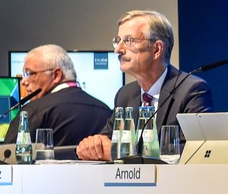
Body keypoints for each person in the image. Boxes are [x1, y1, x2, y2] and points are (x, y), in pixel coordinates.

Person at [76, 10, 214, 161]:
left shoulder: (191, 90)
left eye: (128, 41)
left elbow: (196, 152)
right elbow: (106, 141)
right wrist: (93, 145)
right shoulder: (125, 95)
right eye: (118, 41)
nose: (118, 50)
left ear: (156, 49)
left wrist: (123, 154)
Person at [3, 45, 112, 147]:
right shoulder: (106, 111)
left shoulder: (33, 111)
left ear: (56, 74)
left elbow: (5, 158)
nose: (23, 81)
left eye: (30, 74)